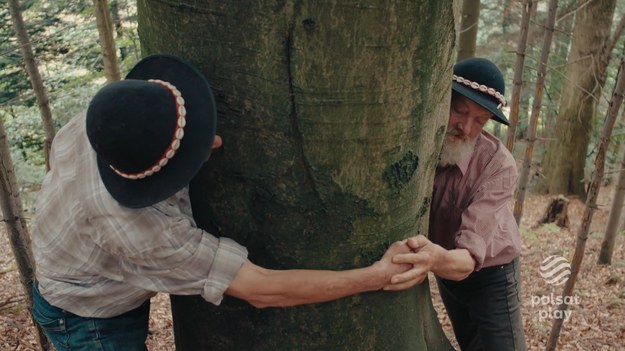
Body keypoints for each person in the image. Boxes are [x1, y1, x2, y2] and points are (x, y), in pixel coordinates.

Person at [30, 54, 418, 351]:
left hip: (80, 265)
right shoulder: (147, 231)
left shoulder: (109, 119)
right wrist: (376, 276)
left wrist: (188, 146)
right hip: (86, 314)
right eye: (193, 148)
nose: (214, 143)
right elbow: (264, 288)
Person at [393, 57, 528, 350]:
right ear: (445, 100)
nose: (466, 127)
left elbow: (468, 257)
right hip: (446, 268)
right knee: (470, 344)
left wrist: (432, 260)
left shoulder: (498, 166)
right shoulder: (419, 143)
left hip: (493, 271)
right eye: (460, 111)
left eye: (479, 120)